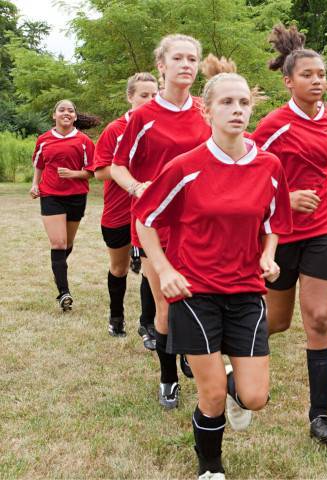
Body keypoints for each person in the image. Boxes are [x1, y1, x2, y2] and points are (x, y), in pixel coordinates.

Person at [134, 56, 292, 480]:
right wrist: (165, 270)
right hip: (195, 291)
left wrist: (268, 254)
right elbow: (145, 219)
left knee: (255, 397)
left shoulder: (269, 166)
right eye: (227, 102)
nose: (237, 109)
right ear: (207, 110)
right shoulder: (185, 167)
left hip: (246, 291)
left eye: (243, 102)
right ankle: (210, 468)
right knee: (212, 394)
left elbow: (274, 222)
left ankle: (235, 387)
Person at [251, 24, 327, 445]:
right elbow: (247, 171)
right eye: (307, 75)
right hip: (279, 234)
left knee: (319, 319)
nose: (315, 81)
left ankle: (320, 416)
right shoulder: (274, 124)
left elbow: (323, 172)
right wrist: (286, 197)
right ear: (288, 81)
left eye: (320, 74)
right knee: (275, 321)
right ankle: (222, 355)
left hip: (319, 233)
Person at [112, 34, 212, 409]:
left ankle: (191, 352)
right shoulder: (143, 116)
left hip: (203, 223)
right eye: (179, 59)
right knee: (167, 306)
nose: (187, 64)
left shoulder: (205, 109)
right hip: (155, 223)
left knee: (202, 299)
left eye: (192, 59)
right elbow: (117, 165)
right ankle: (168, 376)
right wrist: (137, 187)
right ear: (162, 66)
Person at [90, 72, 158, 345]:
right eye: (144, 95)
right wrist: (131, 177)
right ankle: (116, 317)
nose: (151, 100)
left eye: (155, 95)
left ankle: (148, 324)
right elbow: (99, 172)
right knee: (118, 269)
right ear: (130, 97)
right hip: (119, 212)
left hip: (150, 213)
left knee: (151, 269)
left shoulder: (162, 127)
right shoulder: (115, 129)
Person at [30, 100, 98, 312]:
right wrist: (35, 185)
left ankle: (57, 266)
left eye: (70, 110)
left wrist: (74, 174)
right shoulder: (44, 140)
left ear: (75, 117)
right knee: (58, 244)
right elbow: (40, 165)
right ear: (54, 115)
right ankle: (64, 292)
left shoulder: (84, 141)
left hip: (77, 196)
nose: (66, 113)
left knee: (67, 244)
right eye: (62, 110)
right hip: (50, 194)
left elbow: (93, 171)